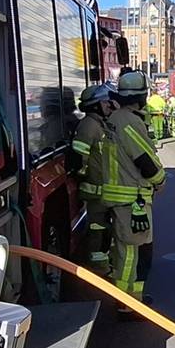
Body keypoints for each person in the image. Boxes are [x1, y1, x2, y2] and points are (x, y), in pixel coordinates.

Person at [103, 70, 166, 306]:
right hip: (132, 199)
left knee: (129, 251)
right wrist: (160, 181)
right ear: (142, 96)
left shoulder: (117, 119)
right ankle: (129, 302)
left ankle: (133, 298)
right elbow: (144, 159)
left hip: (124, 197)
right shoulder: (129, 122)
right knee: (131, 254)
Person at [69, 83, 115, 274]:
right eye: (105, 103)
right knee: (98, 231)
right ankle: (99, 269)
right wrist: (83, 178)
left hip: (104, 191)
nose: (109, 106)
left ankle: (103, 264)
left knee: (105, 231)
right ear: (95, 105)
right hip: (96, 192)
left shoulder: (99, 124)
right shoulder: (89, 126)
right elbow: (79, 159)